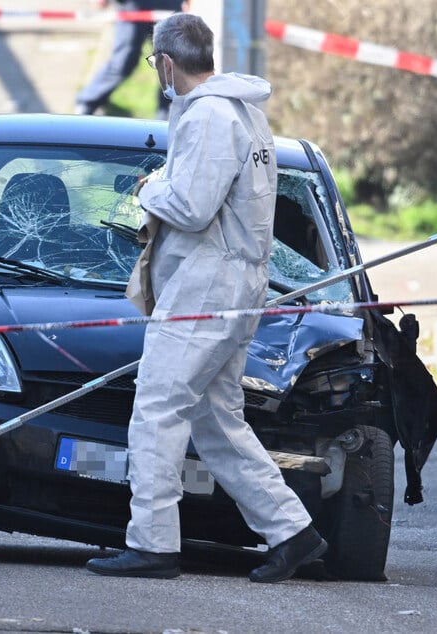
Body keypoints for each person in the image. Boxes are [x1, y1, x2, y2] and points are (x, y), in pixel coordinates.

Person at [85, 13, 327, 583]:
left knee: (156, 411)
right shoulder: (244, 112)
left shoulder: (210, 117)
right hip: (234, 284)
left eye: (154, 66)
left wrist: (150, 188)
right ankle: (293, 531)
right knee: (218, 423)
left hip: (206, 287)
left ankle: (152, 545)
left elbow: (191, 207)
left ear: (166, 63)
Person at [74, 0, 181, 120]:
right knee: (123, 61)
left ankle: (168, 118)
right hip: (133, 5)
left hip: (169, 5)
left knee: (173, 64)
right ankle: (86, 104)